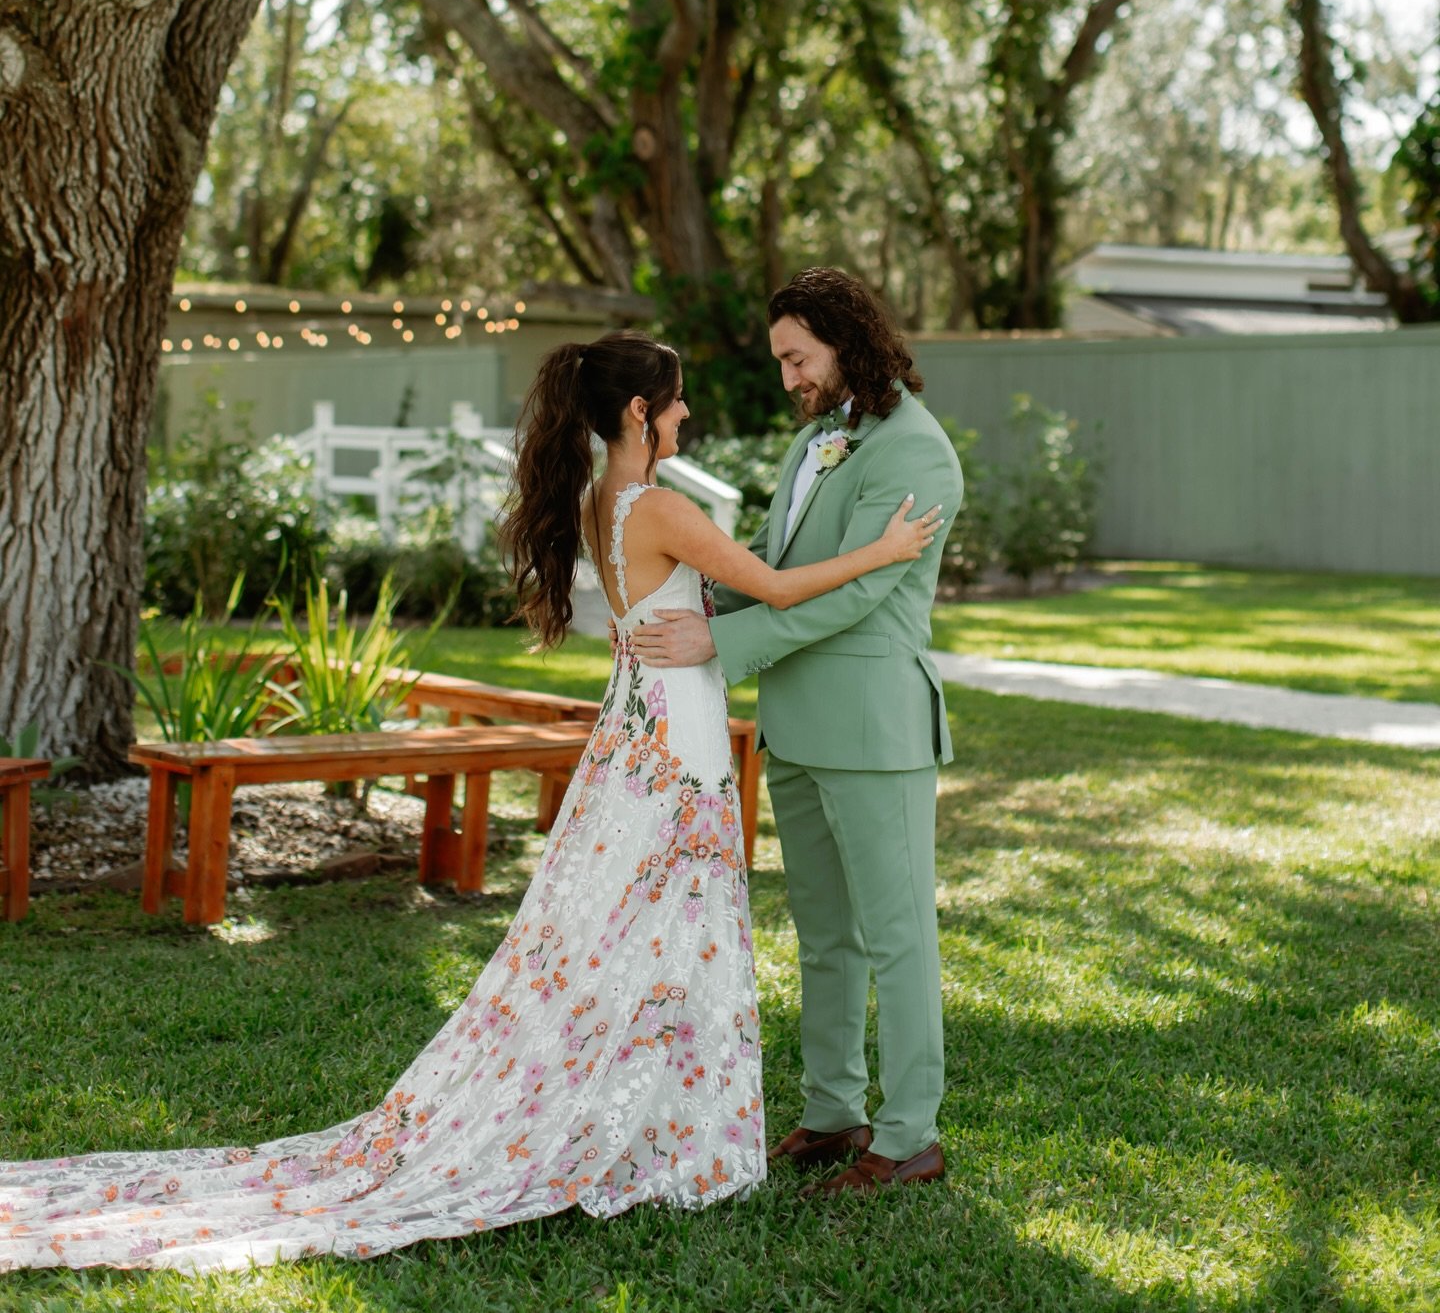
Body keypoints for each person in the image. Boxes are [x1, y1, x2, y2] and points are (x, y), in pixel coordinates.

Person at [0, 329, 940, 1275]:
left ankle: (663, 1120)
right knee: (673, 929)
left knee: (632, 931)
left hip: (632, 734)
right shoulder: (662, 507)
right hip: (675, 739)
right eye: (679, 399)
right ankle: (674, 1139)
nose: (690, 411)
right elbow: (774, 587)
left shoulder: (599, 500)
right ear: (637, 413)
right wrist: (886, 549)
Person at [633, 270, 962, 1197]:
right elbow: (782, 569)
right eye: (781, 359)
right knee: (824, 936)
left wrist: (720, 639)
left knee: (897, 937)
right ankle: (832, 1112)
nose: (787, 378)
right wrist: (685, 594)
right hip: (799, 728)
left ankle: (908, 1137)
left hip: (875, 730)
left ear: (846, 340)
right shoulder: (817, 440)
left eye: (796, 358)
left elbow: (861, 592)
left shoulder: (916, 453)